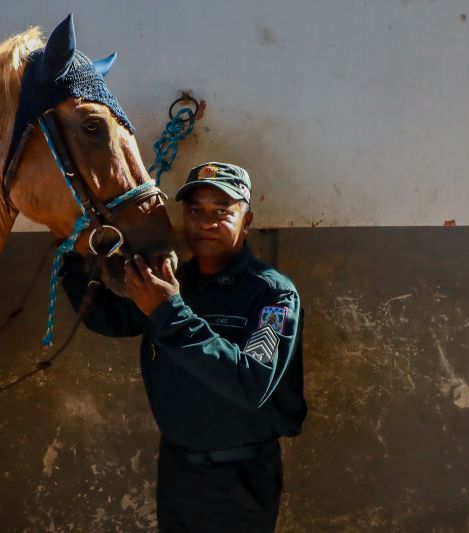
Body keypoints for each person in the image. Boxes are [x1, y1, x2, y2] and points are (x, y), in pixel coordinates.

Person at [60, 162, 306, 532]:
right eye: (194, 211)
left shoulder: (272, 295)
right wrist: (71, 258)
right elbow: (110, 319)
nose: (205, 223)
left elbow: (252, 381)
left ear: (248, 219)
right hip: (178, 473)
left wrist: (169, 311)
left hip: (238, 480)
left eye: (222, 211)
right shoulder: (174, 280)